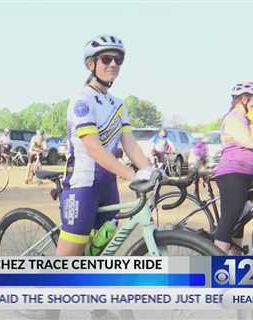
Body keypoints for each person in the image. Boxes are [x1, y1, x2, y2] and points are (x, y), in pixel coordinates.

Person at [58, 34, 152, 257]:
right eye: (106, 59)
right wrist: (132, 174)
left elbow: (129, 142)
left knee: (99, 254)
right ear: (91, 64)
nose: (113, 64)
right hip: (82, 184)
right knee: (67, 260)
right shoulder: (82, 100)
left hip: (108, 186)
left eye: (118, 60)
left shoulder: (118, 104)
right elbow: (93, 148)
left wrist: (148, 169)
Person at [214, 81, 253, 255]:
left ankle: (234, 266)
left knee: (240, 222)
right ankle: (215, 263)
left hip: (245, 174)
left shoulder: (247, 119)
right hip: (232, 174)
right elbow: (251, 142)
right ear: (243, 100)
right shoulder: (233, 118)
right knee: (230, 220)